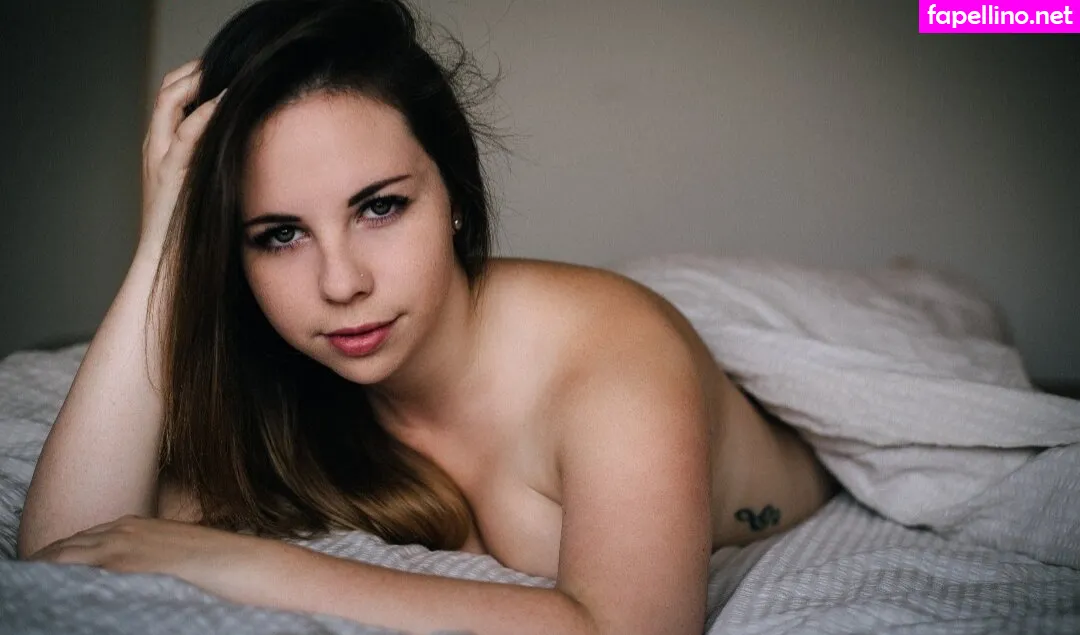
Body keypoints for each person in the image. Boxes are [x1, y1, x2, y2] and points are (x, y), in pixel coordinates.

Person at [17, 1, 836, 632]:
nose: (341, 282)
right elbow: (66, 549)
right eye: (280, 234)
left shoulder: (611, 355)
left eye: (379, 207)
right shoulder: (288, 383)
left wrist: (243, 566)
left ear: (454, 197)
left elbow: (637, 629)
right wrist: (166, 245)